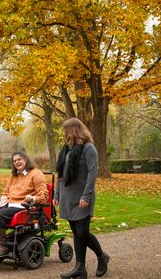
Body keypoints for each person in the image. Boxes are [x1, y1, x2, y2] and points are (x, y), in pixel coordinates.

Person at [52, 117, 110, 278]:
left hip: (82, 196)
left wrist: (86, 195)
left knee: (83, 232)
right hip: (67, 196)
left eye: (66, 130)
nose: (64, 133)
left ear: (74, 130)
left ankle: (102, 256)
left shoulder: (88, 148)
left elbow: (93, 173)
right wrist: (57, 194)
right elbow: (61, 173)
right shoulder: (66, 149)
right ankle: (80, 268)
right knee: (76, 233)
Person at [0, 151, 48, 256]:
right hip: (10, 203)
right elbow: (6, 191)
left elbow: (44, 195)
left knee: (0, 215)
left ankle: (2, 247)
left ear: (25, 160)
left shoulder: (36, 174)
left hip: (24, 206)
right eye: (14, 161)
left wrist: (33, 198)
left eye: (19, 160)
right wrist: (4, 197)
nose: (17, 162)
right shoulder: (14, 175)